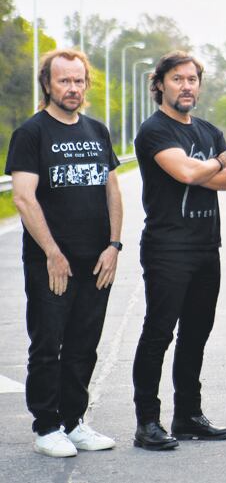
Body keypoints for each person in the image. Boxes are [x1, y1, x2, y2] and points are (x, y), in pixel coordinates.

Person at [6, 49, 122, 457]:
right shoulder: (31, 133)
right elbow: (23, 198)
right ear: (47, 84)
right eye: (64, 81)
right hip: (51, 263)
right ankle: (46, 427)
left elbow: (111, 189)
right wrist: (53, 252)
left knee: (83, 345)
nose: (72, 88)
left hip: (97, 261)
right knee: (48, 343)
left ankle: (74, 422)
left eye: (78, 81)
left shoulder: (97, 130)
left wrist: (114, 245)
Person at [131, 51, 226, 450]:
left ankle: (188, 416)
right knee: (159, 333)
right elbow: (188, 172)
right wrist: (212, 165)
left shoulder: (207, 130)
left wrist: (201, 171)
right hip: (167, 248)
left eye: (192, 79)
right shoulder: (154, 130)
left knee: (196, 333)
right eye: (177, 79)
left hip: (205, 247)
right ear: (160, 84)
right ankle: (147, 423)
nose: (186, 86)